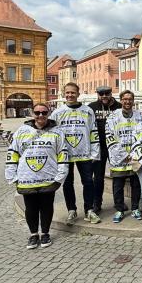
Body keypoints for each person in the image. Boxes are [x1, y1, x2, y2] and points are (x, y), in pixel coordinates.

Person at [5, 103, 69, 249]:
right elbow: (13, 153)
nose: (41, 115)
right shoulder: (22, 131)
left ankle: (45, 233)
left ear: (48, 113)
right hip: (27, 178)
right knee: (31, 208)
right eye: (37, 112)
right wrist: (12, 175)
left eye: (44, 113)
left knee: (47, 207)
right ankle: (33, 234)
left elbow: (63, 154)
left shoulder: (57, 132)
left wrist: (60, 176)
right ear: (33, 114)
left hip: (49, 177)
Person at [50, 83, 100, 225]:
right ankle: (71, 210)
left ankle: (89, 210)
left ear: (78, 94)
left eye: (73, 93)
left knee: (89, 182)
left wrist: (95, 153)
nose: (70, 95)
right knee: (67, 183)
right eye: (67, 93)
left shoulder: (88, 111)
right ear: (63, 94)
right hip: (65, 155)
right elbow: (52, 135)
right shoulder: (57, 113)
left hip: (84, 153)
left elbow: (93, 131)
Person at [105, 90, 142, 222]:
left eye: (130, 99)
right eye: (125, 99)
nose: (127, 101)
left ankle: (135, 208)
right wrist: (123, 155)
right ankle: (120, 209)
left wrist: (133, 154)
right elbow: (109, 137)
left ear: (133, 101)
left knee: (136, 184)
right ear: (121, 100)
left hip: (135, 157)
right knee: (117, 186)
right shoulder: (113, 116)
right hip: (118, 158)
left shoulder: (139, 115)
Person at [88, 85, 121, 214]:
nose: (104, 96)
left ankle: (118, 202)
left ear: (111, 93)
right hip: (99, 147)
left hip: (115, 146)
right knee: (98, 177)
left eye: (107, 93)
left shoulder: (118, 106)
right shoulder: (92, 107)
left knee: (118, 175)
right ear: (98, 95)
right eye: (101, 94)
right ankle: (97, 203)